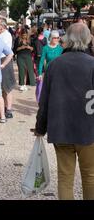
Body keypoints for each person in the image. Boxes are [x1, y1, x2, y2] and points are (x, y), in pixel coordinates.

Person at [35, 23, 94, 200]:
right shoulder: (92, 64)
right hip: (88, 129)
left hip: (61, 128)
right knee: (90, 176)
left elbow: (44, 101)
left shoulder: (55, 65)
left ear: (66, 39)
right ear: (88, 39)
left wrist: (40, 127)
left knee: (65, 177)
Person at [0, 17, 17, 118]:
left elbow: (3, 49)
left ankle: (9, 109)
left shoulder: (6, 35)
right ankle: (3, 108)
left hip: (5, 60)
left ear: (2, 26)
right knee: (2, 87)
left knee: (7, 86)